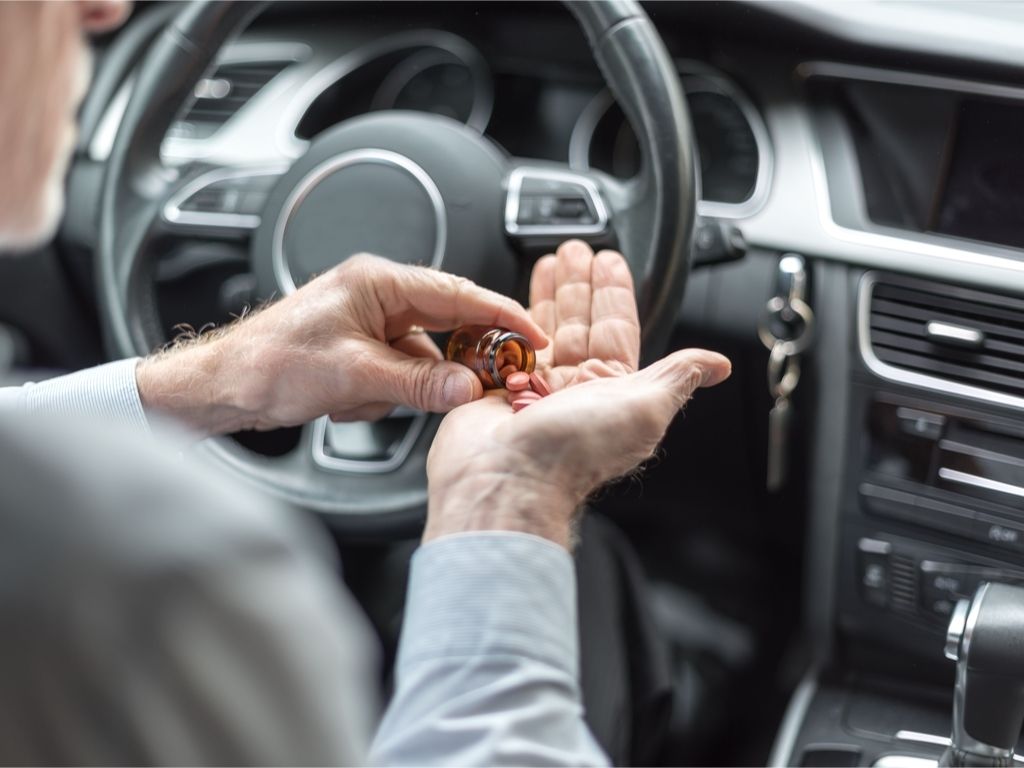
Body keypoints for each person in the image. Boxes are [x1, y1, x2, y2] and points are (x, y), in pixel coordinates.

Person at [0, 1, 732, 764]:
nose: (104, 6)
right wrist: (508, 499)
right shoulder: (151, 566)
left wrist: (221, 376)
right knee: (590, 567)